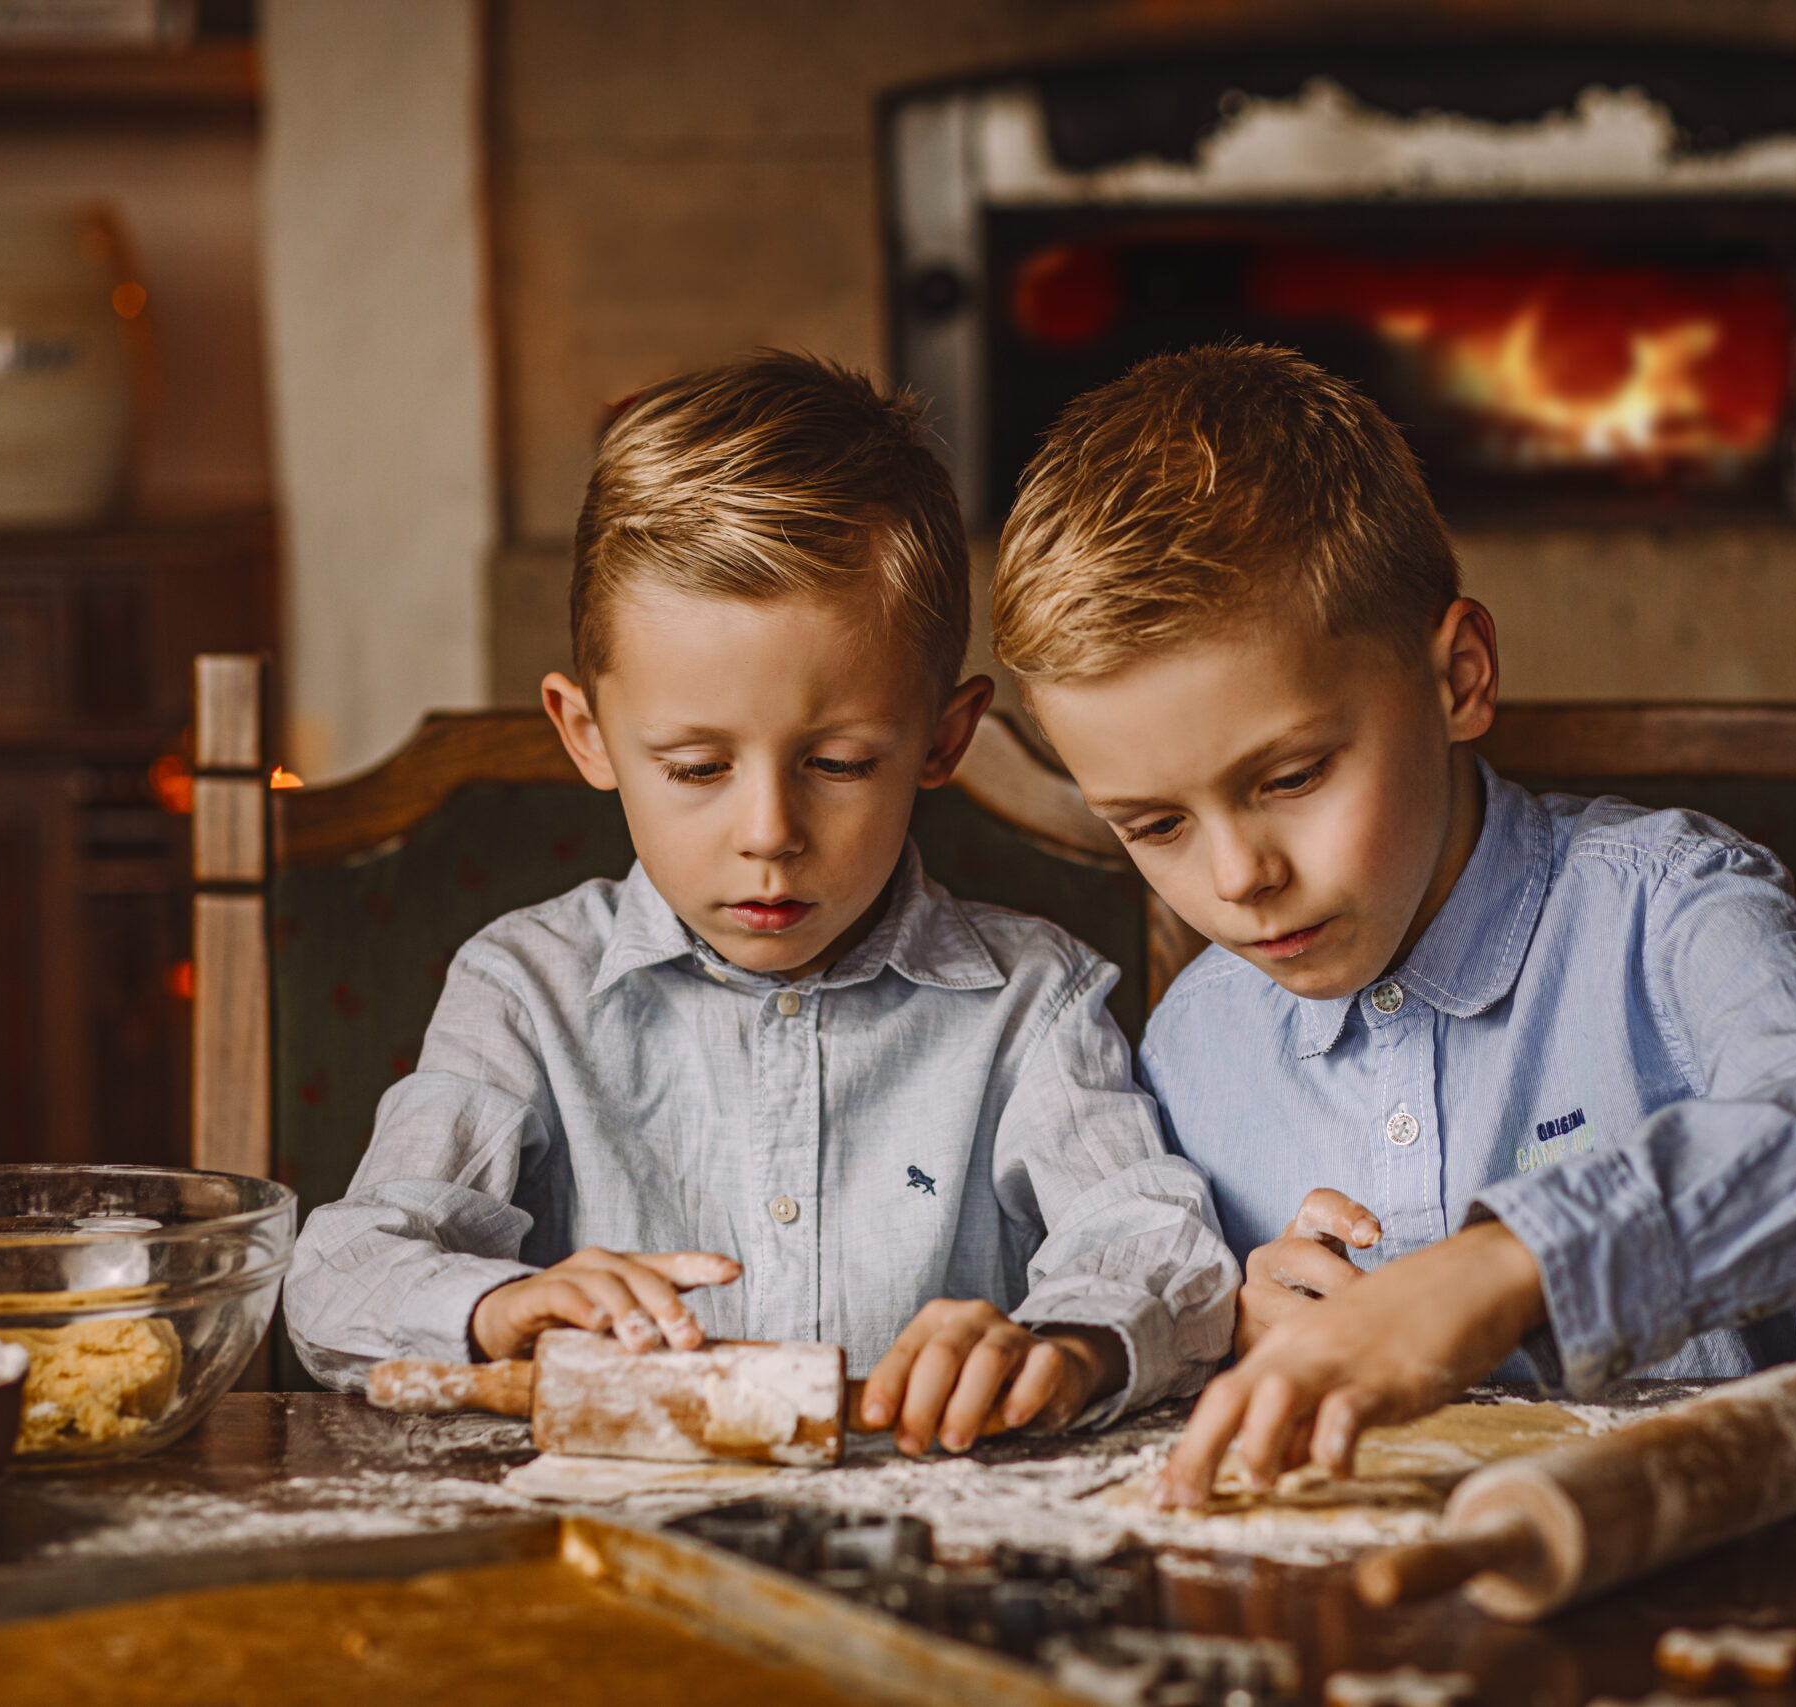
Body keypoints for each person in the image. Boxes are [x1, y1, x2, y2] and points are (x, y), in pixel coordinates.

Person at [990, 343, 1796, 1507]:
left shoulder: (1663, 907)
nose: (1237, 878)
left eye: (1293, 777)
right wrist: (1239, 1332)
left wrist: (1514, 1267)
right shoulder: (1189, 1046)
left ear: (1457, 677)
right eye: (1153, 826)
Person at [286, 351, 1238, 1456]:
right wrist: (493, 1311)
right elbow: (342, 1273)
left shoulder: (1033, 1003)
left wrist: (1071, 1348)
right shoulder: (524, 988)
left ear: (942, 738)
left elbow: (1153, 1241)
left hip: (933, 1555)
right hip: (609, 1560)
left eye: (836, 764)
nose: (768, 832)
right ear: (587, 734)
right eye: (695, 768)